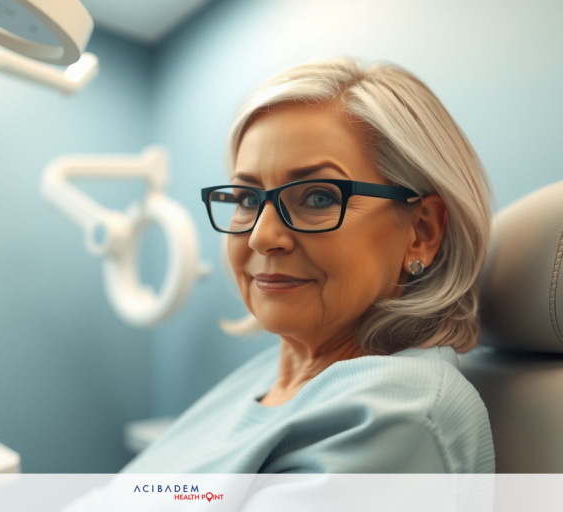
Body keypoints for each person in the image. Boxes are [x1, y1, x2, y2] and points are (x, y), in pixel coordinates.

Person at [122, 58, 495, 473]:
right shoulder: (269, 373)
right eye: (247, 199)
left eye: (318, 197)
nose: (262, 237)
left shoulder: (395, 415)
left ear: (420, 232)